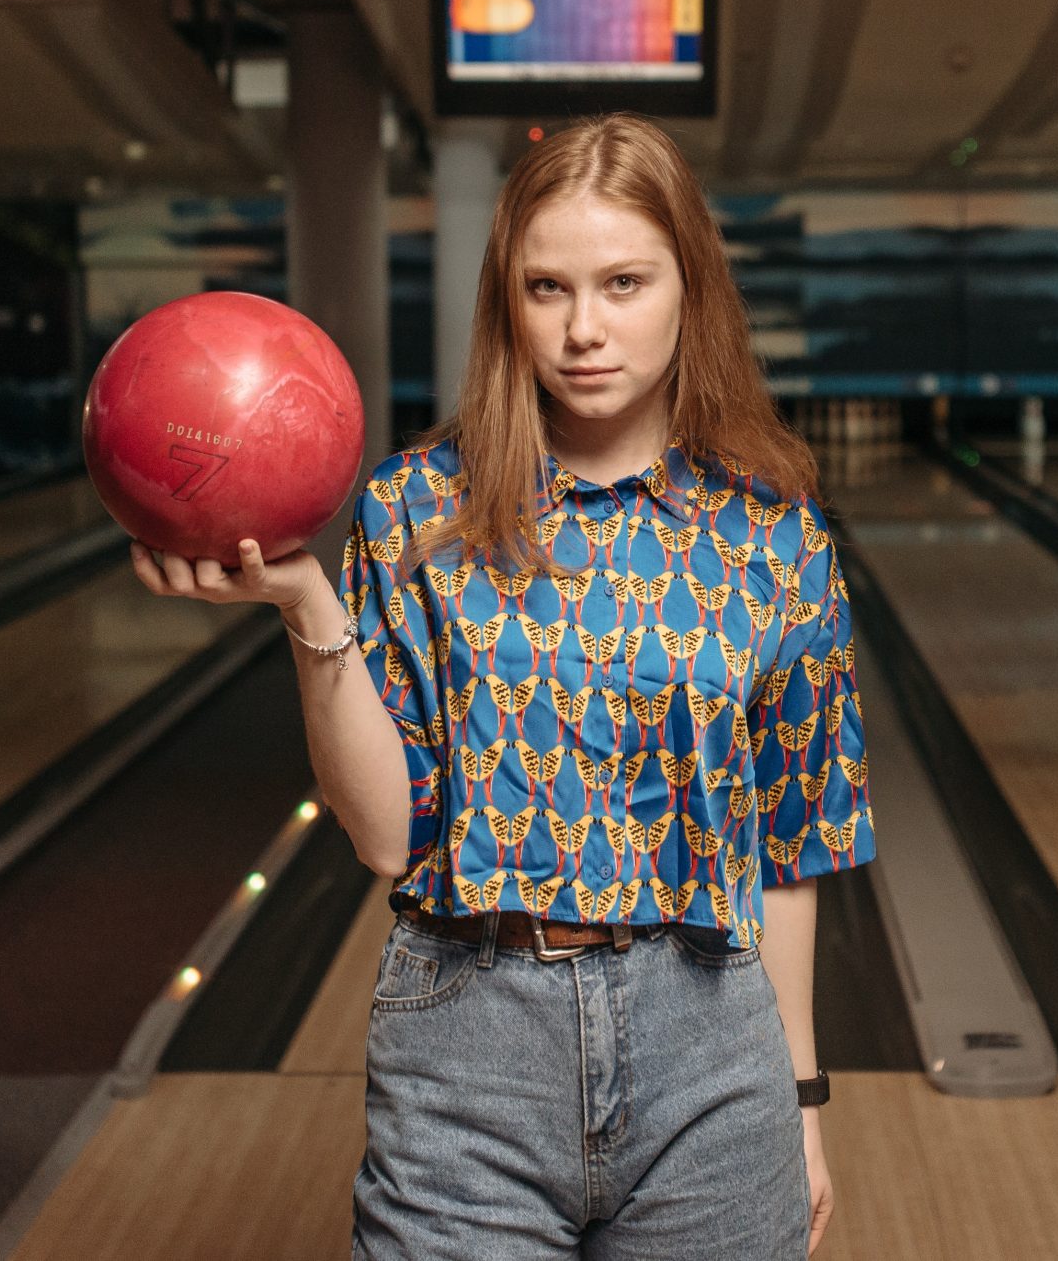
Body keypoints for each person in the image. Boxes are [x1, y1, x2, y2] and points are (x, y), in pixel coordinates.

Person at [130, 112, 876, 1258]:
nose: (584, 328)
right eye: (547, 288)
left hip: (712, 1046)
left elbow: (792, 849)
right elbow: (386, 836)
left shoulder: (774, 537)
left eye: (624, 282)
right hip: (469, 1031)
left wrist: (804, 1100)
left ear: (692, 286)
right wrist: (309, 609)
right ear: (506, 300)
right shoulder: (411, 513)